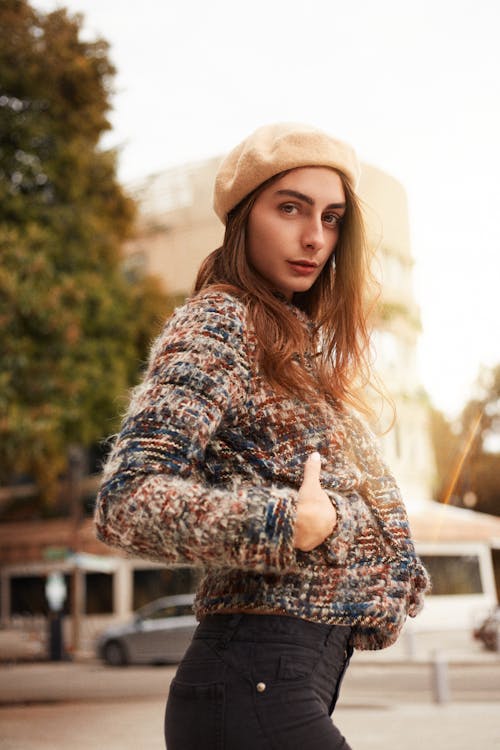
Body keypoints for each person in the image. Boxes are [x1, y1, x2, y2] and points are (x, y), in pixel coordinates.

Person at [94, 122, 430, 749]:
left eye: (331, 218)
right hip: (253, 681)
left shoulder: (291, 347)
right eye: (290, 209)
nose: (314, 237)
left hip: (276, 685)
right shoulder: (222, 322)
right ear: (244, 218)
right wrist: (283, 523)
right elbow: (126, 500)